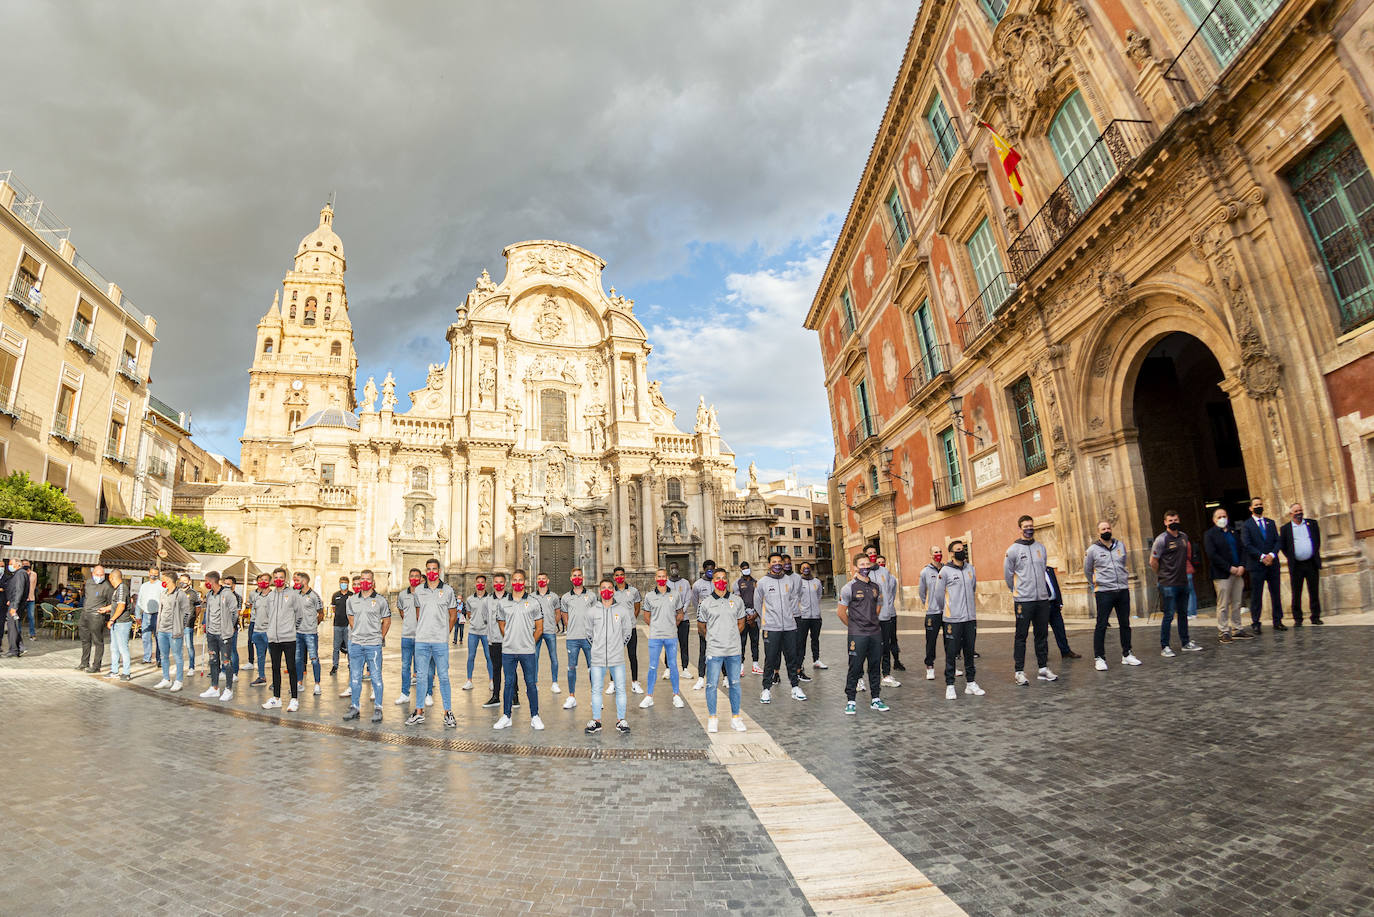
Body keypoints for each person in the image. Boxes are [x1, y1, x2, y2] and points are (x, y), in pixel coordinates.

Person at [1005, 516, 1058, 685]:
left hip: (1042, 599)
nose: (1029, 528)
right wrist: (1016, 591)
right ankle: (1019, 671)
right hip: (1023, 600)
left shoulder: (1041, 548)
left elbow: (1043, 570)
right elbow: (1008, 574)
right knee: (1021, 636)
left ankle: (1043, 669)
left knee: (1041, 635)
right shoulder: (1013, 550)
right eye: (1026, 526)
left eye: (1031, 526)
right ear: (1020, 528)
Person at [406, 558, 459, 728]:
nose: (431, 572)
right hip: (421, 640)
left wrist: (445, 632)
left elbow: (453, 615)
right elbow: (418, 613)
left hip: (440, 641)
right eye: (428, 569)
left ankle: (447, 712)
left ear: (439, 570)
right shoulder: (419, 590)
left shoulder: (449, 591)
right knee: (421, 676)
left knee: (443, 676)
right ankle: (419, 711)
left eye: (434, 569)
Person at [1084, 521, 1143, 668]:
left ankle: (1127, 653)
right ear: (1098, 532)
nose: (1106, 530)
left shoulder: (1120, 546)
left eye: (1108, 528)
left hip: (1122, 590)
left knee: (1125, 623)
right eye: (1103, 529)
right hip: (1104, 592)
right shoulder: (1092, 550)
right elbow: (1087, 570)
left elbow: (1122, 563)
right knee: (1101, 624)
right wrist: (1094, 586)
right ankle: (1099, 657)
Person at [930, 539, 983, 699]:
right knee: (951, 652)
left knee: (969, 651)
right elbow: (938, 595)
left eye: (963, 549)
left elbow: (972, 587)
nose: (962, 551)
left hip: (970, 618)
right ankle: (950, 685)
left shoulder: (970, 569)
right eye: (958, 549)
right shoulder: (945, 572)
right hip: (952, 620)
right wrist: (948, 610)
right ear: (952, 553)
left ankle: (971, 683)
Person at [697, 568, 748, 733]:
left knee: (735, 684)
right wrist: (713, 638)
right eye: (718, 578)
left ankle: (735, 717)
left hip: (733, 650)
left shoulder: (737, 601)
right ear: (713, 581)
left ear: (727, 580)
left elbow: (741, 623)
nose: (721, 581)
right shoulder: (705, 603)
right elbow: (701, 627)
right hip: (714, 650)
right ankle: (712, 717)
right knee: (711, 685)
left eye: (723, 578)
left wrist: (730, 636)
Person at [837, 552, 888, 714]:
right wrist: (853, 626)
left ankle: (876, 699)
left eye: (867, 565)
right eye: (862, 565)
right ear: (855, 568)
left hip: (874, 633)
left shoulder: (875, 587)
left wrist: (872, 620)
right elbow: (841, 612)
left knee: (874, 666)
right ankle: (851, 700)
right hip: (857, 635)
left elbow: (878, 606)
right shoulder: (848, 588)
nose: (865, 568)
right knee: (855, 667)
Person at [493, 569, 544, 731]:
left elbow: (539, 628)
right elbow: (501, 623)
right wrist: (509, 637)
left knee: (531, 683)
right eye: (514, 580)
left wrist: (529, 642)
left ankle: (535, 716)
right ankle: (506, 716)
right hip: (508, 650)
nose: (517, 583)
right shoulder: (502, 603)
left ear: (525, 581)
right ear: (511, 582)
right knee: (508, 683)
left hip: (528, 651)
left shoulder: (534, 602)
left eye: (520, 580)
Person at [585, 576, 635, 735]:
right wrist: (597, 646)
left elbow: (628, 631)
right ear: (599, 591)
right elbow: (588, 633)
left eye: (609, 588)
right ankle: (596, 721)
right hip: (598, 658)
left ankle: (621, 720)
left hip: (617, 657)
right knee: (596, 689)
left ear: (613, 590)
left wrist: (619, 645)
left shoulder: (622, 610)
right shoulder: (592, 611)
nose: (606, 590)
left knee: (620, 689)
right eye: (603, 588)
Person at [1150, 511, 1203, 656]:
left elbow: (1187, 556)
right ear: (1165, 523)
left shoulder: (1184, 537)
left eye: (1175, 519)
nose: (1173, 522)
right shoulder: (1161, 540)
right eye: (1170, 520)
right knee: (1168, 615)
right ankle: (1165, 646)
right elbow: (1153, 561)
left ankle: (1185, 642)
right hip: (1168, 583)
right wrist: (1162, 575)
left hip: (1183, 581)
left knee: (1183, 613)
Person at [755, 552, 804, 703]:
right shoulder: (762, 582)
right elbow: (757, 603)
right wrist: (766, 620)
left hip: (789, 626)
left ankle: (795, 687)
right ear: (769, 564)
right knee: (770, 659)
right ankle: (766, 689)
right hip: (771, 627)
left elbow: (794, 599)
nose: (777, 564)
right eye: (774, 561)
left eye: (779, 562)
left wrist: (791, 616)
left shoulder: (789, 580)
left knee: (792, 658)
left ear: (782, 564)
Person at [342, 569, 390, 723]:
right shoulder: (352, 600)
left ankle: (378, 708)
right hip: (356, 644)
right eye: (362, 579)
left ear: (373, 582)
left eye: (368, 579)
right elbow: (350, 617)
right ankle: (354, 707)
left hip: (373, 645)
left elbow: (387, 620)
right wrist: (358, 632)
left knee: (376, 677)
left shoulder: (381, 600)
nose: (364, 582)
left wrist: (379, 637)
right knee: (355, 677)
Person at [1203, 507, 1252, 643]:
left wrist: (1242, 565)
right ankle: (1223, 631)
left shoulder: (1233, 532)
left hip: (1238, 572)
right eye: (1219, 517)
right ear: (1214, 520)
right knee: (1223, 604)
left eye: (1224, 516)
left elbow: (1242, 549)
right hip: (1222, 574)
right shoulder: (1210, 534)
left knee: (1236, 603)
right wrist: (1229, 568)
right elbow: (1212, 555)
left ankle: (1237, 628)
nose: (1222, 519)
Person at [258, 566, 303, 711]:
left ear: (286, 579)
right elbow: (268, 614)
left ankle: (294, 699)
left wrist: (292, 628)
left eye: (281, 577)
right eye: (276, 577)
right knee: (275, 668)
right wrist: (270, 630)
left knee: (291, 668)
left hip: (288, 637)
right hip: (273, 638)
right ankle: (276, 698)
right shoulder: (270, 596)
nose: (278, 580)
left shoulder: (293, 594)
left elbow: (299, 614)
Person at [640, 567, 685, 709]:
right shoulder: (649, 596)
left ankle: (676, 695)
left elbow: (680, 613)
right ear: (655, 578)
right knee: (652, 666)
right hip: (655, 637)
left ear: (666, 578)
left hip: (671, 635)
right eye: (658, 576)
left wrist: (673, 625)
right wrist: (655, 626)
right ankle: (649, 696)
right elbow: (646, 616)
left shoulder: (675, 594)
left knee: (673, 666)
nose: (661, 578)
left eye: (663, 576)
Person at [1240, 497, 1284, 632]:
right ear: (1251, 508)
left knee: (1276, 593)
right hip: (1257, 566)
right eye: (1256, 505)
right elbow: (1247, 544)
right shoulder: (1247, 525)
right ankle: (1256, 622)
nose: (1259, 506)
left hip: (1272, 565)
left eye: (1260, 504)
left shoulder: (1271, 523)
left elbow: (1278, 541)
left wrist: (1272, 555)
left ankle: (1278, 621)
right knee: (1257, 595)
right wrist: (1262, 556)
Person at [394, 568, 434, 709]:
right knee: (405, 666)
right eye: (412, 576)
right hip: (406, 635)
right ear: (408, 577)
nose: (414, 578)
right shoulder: (402, 595)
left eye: (417, 576)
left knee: (425, 668)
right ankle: (405, 694)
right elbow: (401, 611)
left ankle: (428, 694)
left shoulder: (426, 593)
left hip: (422, 637)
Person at [1280, 502, 1323, 626]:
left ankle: (1315, 616)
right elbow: (1283, 546)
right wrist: (1293, 557)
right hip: (1296, 565)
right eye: (1296, 511)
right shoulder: (1285, 529)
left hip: (1311, 563)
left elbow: (1317, 541)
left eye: (1300, 510)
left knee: (1314, 591)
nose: (1299, 513)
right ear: (1291, 514)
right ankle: (1298, 619)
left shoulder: (1312, 524)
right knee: (1296, 592)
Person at [199, 571, 238, 701]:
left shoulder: (227, 594)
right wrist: (206, 626)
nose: (205, 584)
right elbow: (207, 612)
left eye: (206, 581)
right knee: (213, 660)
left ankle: (228, 689)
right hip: (211, 633)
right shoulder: (210, 594)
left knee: (226, 662)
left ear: (211, 581)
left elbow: (234, 612)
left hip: (224, 634)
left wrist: (230, 627)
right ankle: (214, 688)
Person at [560, 566, 595, 710]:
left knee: (593, 668)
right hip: (572, 638)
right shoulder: (566, 597)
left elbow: (596, 614)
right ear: (571, 578)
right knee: (571, 667)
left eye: (579, 575)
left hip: (589, 638)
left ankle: (595, 697)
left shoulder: (592, 596)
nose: (577, 578)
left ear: (583, 577)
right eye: (574, 575)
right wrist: (571, 627)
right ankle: (571, 696)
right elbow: (564, 615)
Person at [483, 573, 518, 709]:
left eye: (501, 582)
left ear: (505, 583)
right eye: (496, 582)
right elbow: (485, 617)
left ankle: (515, 696)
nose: (498, 584)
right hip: (494, 640)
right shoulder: (487, 600)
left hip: (508, 641)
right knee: (496, 669)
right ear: (493, 583)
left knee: (511, 670)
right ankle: (496, 696)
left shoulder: (511, 599)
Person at [608, 566, 643, 695]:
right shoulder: (611, 591)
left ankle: (635, 682)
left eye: (621, 575)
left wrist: (631, 619)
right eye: (617, 575)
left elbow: (637, 607)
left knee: (632, 656)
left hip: (631, 629)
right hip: (616, 629)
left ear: (625, 576)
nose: (619, 577)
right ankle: (613, 683)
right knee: (614, 656)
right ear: (614, 577)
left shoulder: (633, 591)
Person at [76, 564, 115, 673]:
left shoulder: (107, 586)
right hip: (85, 614)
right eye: (97, 574)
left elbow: (113, 602)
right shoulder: (88, 583)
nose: (99, 576)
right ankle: (84, 662)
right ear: (93, 574)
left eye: (102, 575)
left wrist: (105, 609)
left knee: (98, 641)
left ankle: (96, 666)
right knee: (85, 640)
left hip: (97, 616)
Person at [154, 572, 189, 691]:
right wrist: (158, 627)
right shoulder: (163, 593)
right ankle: (166, 679)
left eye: (164, 580)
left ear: (170, 580)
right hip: (162, 630)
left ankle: (179, 680)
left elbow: (187, 612)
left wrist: (181, 626)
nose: (163, 582)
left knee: (177, 656)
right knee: (163, 656)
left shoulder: (180, 594)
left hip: (174, 631)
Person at [293, 571, 325, 696]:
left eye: (297, 581)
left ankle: (317, 684)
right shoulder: (296, 594)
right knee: (298, 659)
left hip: (310, 633)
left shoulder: (314, 596)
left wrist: (313, 625)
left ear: (304, 581)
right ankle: (299, 683)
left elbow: (321, 613)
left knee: (314, 659)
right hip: (297, 632)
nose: (295, 583)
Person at [874, 554, 904, 680]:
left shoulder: (891, 578)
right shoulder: (873, 577)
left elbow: (892, 594)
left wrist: (889, 606)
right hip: (879, 614)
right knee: (882, 641)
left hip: (891, 613)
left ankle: (896, 661)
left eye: (883, 562)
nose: (881, 563)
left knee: (893, 639)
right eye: (879, 562)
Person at [531, 572, 562, 695]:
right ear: (536, 581)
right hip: (535, 631)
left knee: (553, 657)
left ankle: (554, 683)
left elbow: (558, 613)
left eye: (543, 579)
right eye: (539, 579)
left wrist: (552, 624)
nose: (541, 581)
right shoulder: (531, 596)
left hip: (549, 631)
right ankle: (534, 683)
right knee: (534, 658)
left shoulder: (554, 596)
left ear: (548, 581)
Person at [917, 547, 945, 681]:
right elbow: (922, 592)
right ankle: (929, 666)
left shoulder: (947, 569)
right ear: (930, 555)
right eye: (935, 552)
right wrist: (927, 605)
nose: (938, 554)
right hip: (932, 612)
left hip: (947, 611)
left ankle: (952, 665)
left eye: (940, 551)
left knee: (952, 641)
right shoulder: (925, 572)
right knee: (931, 641)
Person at [1044, 565, 1082, 660]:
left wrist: (1060, 602)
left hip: (1054, 604)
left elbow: (1055, 586)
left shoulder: (1049, 569)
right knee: (1042, 632)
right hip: (1042, 605)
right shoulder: (1033, 571)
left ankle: (1065, 651)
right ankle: (1043, 655)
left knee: (1060, 629)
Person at [690, 560, 716, 688]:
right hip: (705, 622)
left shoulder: (718, 582)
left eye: (713, 569)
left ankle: (726, 676)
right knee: (703, 650)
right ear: (704, 569)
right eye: (708, 569)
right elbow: (695, 601)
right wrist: (702, 614)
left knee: (722, 650)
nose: (710, 571)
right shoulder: (697, 585)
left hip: (718, 622)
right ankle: (701, 677)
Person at [463, 574, 492, 692]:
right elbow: (469, 614)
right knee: (470, 657)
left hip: (486, 632)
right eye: (478, 582)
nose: (480, 584)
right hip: (473, 632)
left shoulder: (490, 598)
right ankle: (469, 680)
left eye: (482, 582)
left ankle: (492, 681)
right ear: (475, 583)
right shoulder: (469, 599)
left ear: (485, 584)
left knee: (489, 657)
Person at [796, 561, 825, 673]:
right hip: (803, 617)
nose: (806, 569)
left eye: (808, 567)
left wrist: (815, 608)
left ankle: (816, 660)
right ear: (800, 570)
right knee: (801, 641)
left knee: (815, 639)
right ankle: (800, 663)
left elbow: (819, 596)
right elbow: (796, 598)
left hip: (816, 617)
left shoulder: (816, 582)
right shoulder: (798, 582)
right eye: (804, 568)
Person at [667, 562, 694, 679]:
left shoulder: (685, 583)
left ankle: (685, 668)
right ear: (670, 569)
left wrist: (682, 612)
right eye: (672, 568)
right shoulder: (666, 583)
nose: (674, 570)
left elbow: (688, 598)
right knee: (669, 645)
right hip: (670, 620)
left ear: (679, 569)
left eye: (675, 568)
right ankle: (668, 668)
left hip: (684, 619)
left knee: (684, 644)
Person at [245, 573, 272, 685]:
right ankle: (261, 677)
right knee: (260, 655)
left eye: (265, 580)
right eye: (261, 580)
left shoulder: (273, 595)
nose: (263, 582)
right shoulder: (256, 595)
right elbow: (254, 609)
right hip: (257, 629)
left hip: (269, 631)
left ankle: (276, 680)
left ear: (270, 582)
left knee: (273, 656)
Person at [103, 569, 131, 676]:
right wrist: (106, 609)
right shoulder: (117, 589)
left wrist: (112, 619)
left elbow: (121, 606)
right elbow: (116, 605)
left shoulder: (122, 588)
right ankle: (114, 670)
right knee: (114, 648)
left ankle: (126, 672)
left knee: (123, 648)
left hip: (122, 623)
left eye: (110, 578)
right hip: (117, 623)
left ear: (112, 578)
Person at [735, 562, 761, 675]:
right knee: (742, 642)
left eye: (747, 568)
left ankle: (755, 665)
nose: (746, 570)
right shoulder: (737, 583)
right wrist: (746, 616)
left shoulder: (756, 583)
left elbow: (760, 599)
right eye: (744, 568)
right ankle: (740, 666)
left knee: (755, 642)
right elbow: (737, 601)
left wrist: (755, 615)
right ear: (740, 570)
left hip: (755, 616)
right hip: (743, 617)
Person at [136, 566, 163, 667]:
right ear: (148, 574)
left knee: (158, 638)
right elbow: (139, 601)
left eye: (156, 573)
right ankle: (147, 658)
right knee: (145, 638)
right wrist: (138, 615)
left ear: (158, 574)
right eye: (152, 573)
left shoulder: (161, 586)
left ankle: (159, 659)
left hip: (157, 615)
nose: (153, 575)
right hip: (146, 615)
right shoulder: (144, 586)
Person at [4, 558, 28, 658]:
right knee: (13, 626)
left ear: (17, 565)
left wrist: (14, 606)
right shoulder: (19, 573)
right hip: (14, 604)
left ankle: (14, 650)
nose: (9, 566)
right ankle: (20, 648)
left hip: (15, 606)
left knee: (12, 627)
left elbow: (19, 590)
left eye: (11, 564)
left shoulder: (20, 574)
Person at [329, 576, 351, 675]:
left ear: (348, 583)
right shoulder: (335, 595)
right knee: (336, 647)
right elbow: (334, 609)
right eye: (341, 582)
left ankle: (351, 665)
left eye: (345, 583)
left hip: (348, 625)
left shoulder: (352, 595)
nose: (343, 584)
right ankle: (335, 665)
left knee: (349, 646)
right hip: (337, 625)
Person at [21, 559, 36, 640]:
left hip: (31, 598)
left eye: (26, 564)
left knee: (31, 616)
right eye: (23, 564)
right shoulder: (20, 573)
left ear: (29, 564)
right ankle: (18, 633)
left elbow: (34, 586)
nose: (25, 565)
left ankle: (32, 633)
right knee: (19, 616)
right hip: (22, 598)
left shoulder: (34, 574)